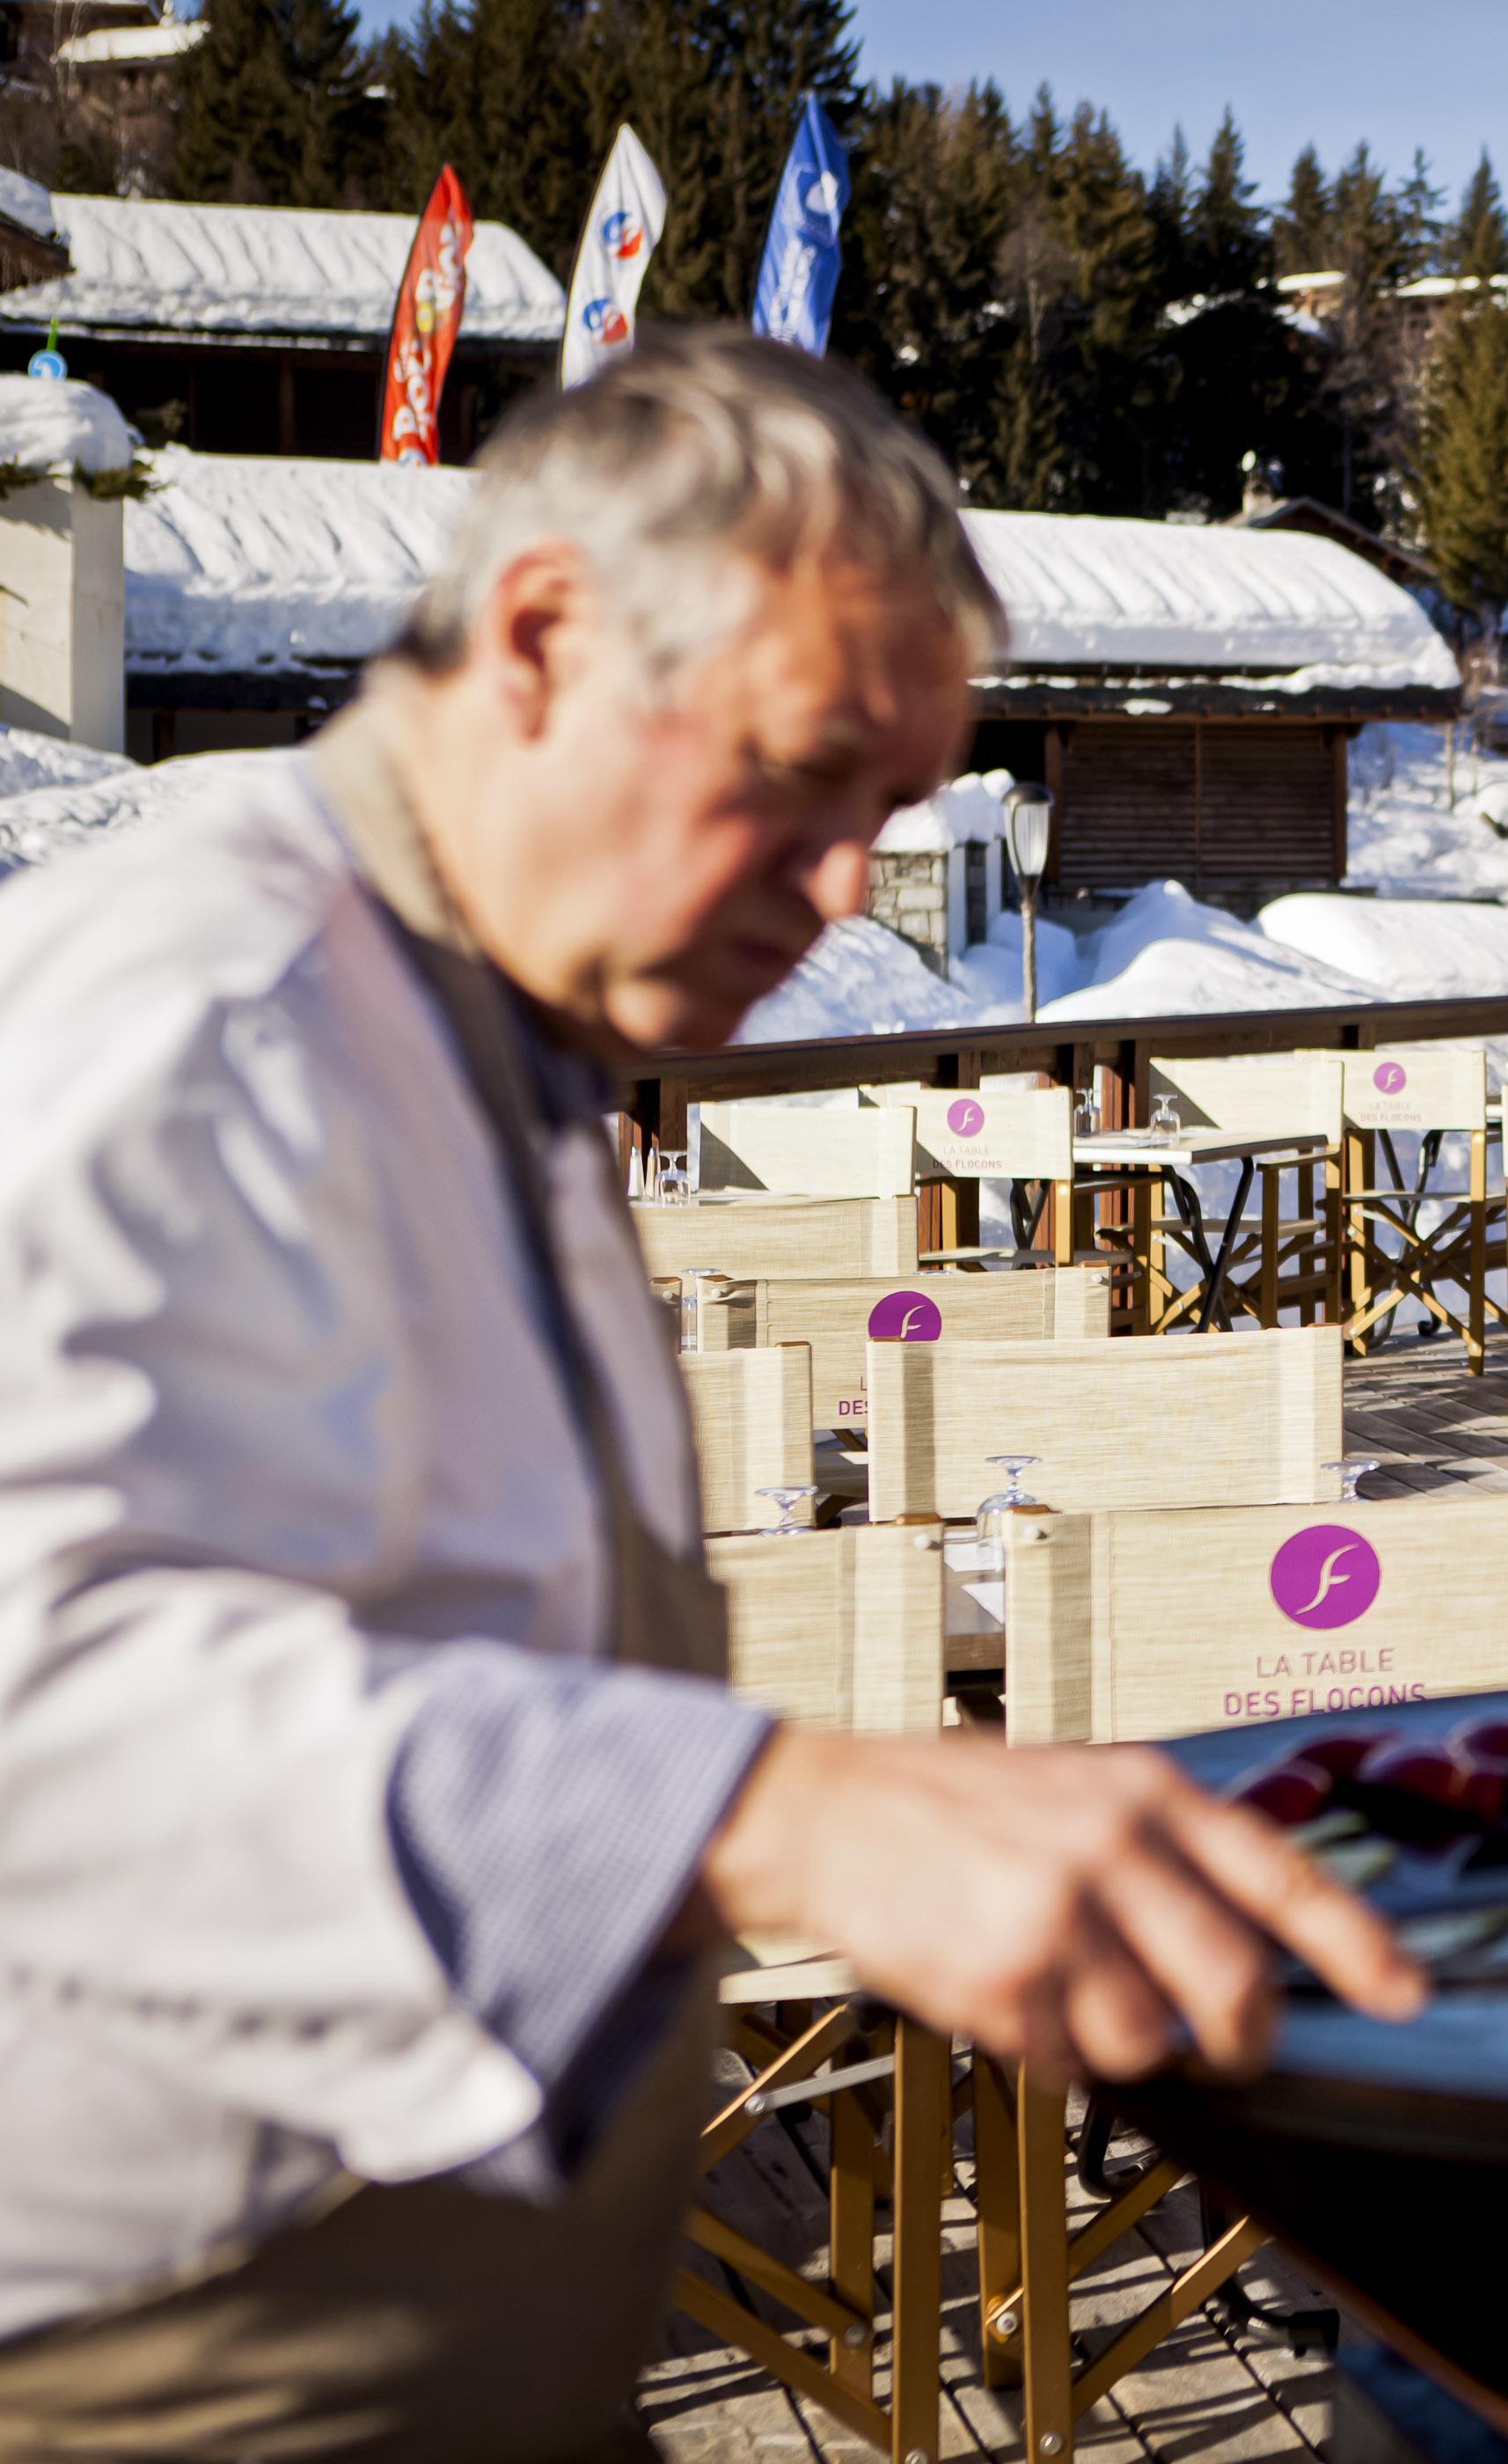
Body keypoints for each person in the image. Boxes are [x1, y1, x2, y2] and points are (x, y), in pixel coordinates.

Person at [0, 329, 1422, 2458]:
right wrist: (790, 1805)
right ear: (548, 637)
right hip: (216, 2353)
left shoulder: (491, 1008)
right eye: (803, 770)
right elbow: (48, 1692)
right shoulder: (216, 1003)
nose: (852, 883)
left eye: (894, 808)